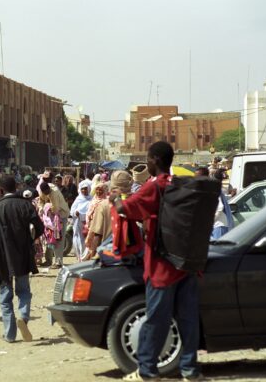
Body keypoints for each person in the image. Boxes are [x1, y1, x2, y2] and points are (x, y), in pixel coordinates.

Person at [111, 141, 202, 381]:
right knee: (188, 319)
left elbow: (126, 209)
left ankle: (147, 370)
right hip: (186, 263)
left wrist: (115, 199)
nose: (147, 163)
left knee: (156, 320)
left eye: (149, 159)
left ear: (155, 160)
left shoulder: (154, 187)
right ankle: (190, 370)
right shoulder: (181, 185)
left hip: (161, 266)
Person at [0, 175, 44, 343]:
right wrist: (30, 238)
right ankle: (23, 317)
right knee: (24, 291)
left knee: (5, 296)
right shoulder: (25, 205)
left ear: (0, 189)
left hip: (2, 259)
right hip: (23, 255)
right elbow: (39, 227)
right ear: (16, 187)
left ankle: (9, 334)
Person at [37, 172, 70, 268]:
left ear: (49, 189)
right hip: (50, 218)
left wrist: (46, 207)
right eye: (45, 193)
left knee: (58, 238)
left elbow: (55, 209)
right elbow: (41, 201)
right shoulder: (43, 190)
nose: (46, 194)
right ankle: (48, 260)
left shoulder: (54, 193)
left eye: (47, 192)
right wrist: (41, 208)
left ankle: (58, 262)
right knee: (49, 238)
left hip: (60, 216)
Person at [195, 167, 234, 239]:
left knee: (219, 249)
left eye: (198, 177)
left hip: (219, 225)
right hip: (212, 226)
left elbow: (219, 207)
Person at [69, 180, 92, 261]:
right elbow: (72, 211)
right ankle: (80, 257)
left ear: (89, 189)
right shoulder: (78, 199)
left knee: (87, 239)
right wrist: (76, 213)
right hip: (78, 223)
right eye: (82, 189)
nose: (84, 191)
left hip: (88, 223)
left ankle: (85, 257)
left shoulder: (92, 199)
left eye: (85, 189)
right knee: (78, 239)